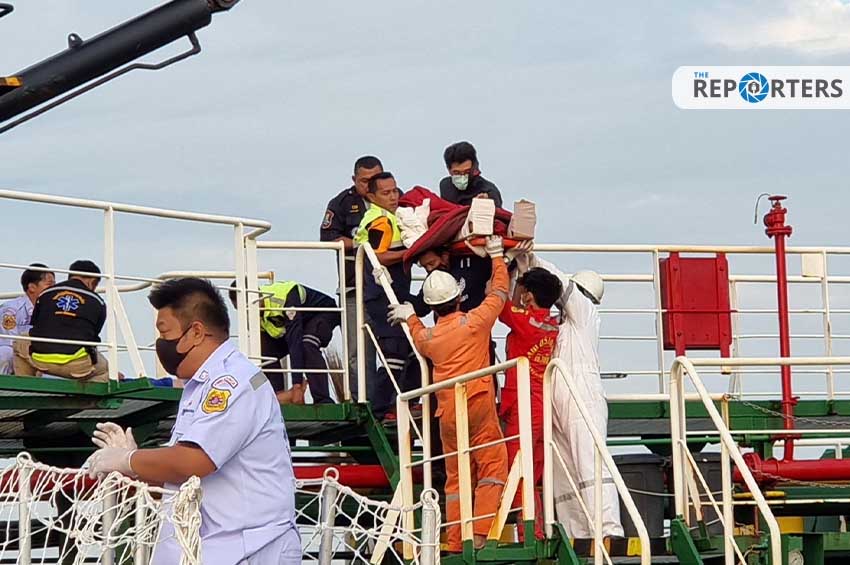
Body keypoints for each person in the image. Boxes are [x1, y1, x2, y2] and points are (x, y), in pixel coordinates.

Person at [87, 277, 299, 564]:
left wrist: (128, 459)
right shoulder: (199, 386)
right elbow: (179, 478)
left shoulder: (234, 381)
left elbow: (194, 462)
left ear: (196, 332)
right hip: (210, 549)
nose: (161, 344)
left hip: (247, 550)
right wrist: (136, 465)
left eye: (165, 332)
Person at [389, 235, 509, 552]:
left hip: (448, 415)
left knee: (456, 478)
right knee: (493, 467)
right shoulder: (475, 322)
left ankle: (455, 540)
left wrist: (409, 315)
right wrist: (497, 256)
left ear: (432, 307)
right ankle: (480, 533)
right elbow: (499, 292)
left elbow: (418, 332)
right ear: (458, 298)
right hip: (478, 403)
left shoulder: (429, 339)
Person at [518, 255, 623, 539]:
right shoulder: (560, 326)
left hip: (581, 396)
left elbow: (560, 285)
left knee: (590, 461)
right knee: (563, 469)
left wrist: (534, 258)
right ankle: (578, 533)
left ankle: (608, 528)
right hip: (557, 397)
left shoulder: (586, 314)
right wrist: (523, 267)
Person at [498, 266, 562, 540]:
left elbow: (499, 304)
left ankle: (530, 533)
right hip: (544, 403)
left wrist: (503, 267)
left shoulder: (525, 321)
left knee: (518, 468)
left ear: (529, 296)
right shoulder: (554, 324)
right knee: (534, 470)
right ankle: (538, 530)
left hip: (523, 405)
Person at [354, 171, 421, 421]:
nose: (393, 196)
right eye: (386, 193)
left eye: (395, 191)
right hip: (383, 295)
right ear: (371, 196)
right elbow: (378, 255)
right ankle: (381, 409)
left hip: (392, 292)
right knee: (395, 352)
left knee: (413, 351)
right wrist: (409, 253)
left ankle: (406, 402)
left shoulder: (388, 216)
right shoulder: (380, 220)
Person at [320, 155, 383, 400]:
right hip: (353, 288)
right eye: (364, 180)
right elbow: (327, 238)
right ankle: (361, 402)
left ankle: (388, 402)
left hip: (386, 287)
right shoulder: (341, 203)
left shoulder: (392, 197)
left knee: (395, 348)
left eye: (375, 179)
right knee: (357, 351)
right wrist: (360, 243)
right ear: (354, 179)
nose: (370, 185)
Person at [229, 280, 339, 404]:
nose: (246, 312)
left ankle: (323, 400)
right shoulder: (253, 318)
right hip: (293, 328)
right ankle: (278, 397)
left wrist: (296, 385)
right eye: (241, 310)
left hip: (322, 314)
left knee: (307, 344)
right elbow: (264, 354)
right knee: (264, 354)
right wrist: (248, 386)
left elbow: (294, 341)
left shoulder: (284, 297)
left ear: (255, 297)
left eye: (246, 308)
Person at [14, 260, 110, 382]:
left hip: (41, 360)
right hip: (78, 366)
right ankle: (84, 393)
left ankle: (26, 386)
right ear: (92, 281)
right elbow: (93, 336)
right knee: (108, 372)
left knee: (20, 341)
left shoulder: (46, 293)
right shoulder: (98, 302)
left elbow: (36, 325)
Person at [0, 264, 55, 375]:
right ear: (32, 287)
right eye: (50, 285)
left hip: (40, 354)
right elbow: (10, 342)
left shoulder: (54, 310)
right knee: (6, 353)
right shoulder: (12, 309)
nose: (54, 289)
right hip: (18, 352)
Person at [438, 141, 503, 208]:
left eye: (467, 172)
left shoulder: (489, 191)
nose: (462, 177)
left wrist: (487, 204)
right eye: (457, 173)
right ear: (449, 169)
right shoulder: (445, 186)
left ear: (474, 168)